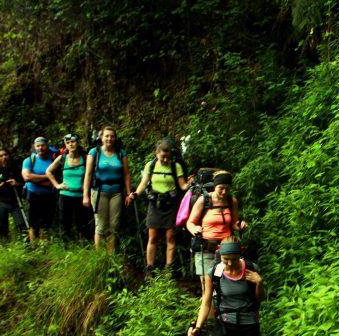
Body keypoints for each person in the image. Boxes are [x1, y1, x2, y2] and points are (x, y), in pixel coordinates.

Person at [127, 140, 189, 275]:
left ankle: (168, 269)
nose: (165, 159)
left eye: (168, 157)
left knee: (170, 237)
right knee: (153, 237)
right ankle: (150, 268)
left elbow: (182, 185)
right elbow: (144, 183)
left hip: (171, 204)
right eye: (163, 157)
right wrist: (136, 194)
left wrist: (190, 184)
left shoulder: (175, 166)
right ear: (156, 153)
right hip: (155, 203)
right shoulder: (151, 165)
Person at [186, 170, 247, 297]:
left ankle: (221, 313)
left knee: (222, 282)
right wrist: (195, 229)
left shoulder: (231, 201)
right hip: (206, 248)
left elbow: (233, 224)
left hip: (225, 250)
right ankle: (208, 315)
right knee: (206, 285)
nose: (224, 192)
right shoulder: (204, 200)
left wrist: (240, 225)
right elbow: (190, 223)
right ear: (215, 186)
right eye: (221, 189)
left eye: (227, 189)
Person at [83, 126, 131, 253]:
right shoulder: (94, 152)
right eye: (107, 136)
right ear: (101, 137)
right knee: (101, 226)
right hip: (99, 192)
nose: (109, 138)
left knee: (114, 226)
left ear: (115, 138)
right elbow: (88, 174)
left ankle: (111, 256)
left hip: (117, 192)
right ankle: (99, 256)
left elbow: (126, 174)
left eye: (112, 136)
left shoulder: (121, 153)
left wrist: (128, 193)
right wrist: (85, 196)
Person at [46, 133, 93, 243]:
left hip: (80, 195)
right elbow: (48, 171)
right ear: (65, 145)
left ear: (77, 143)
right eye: (68, 143)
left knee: (82, 223)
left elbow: (90, 174)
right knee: (65, 222)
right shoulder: (62, 158)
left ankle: (84, 245)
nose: (71, 144)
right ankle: (66, 246)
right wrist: (57, 185)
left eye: (73, 142)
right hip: (65, 195)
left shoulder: (85, 158)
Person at [0, 146, 27, 245]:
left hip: (15, 201)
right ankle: (4, 246)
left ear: (9, 156)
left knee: (21, 224)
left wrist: (16, 183)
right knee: (1, 226)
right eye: (1, 156)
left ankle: (27, 246)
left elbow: (26, 184)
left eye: (6, 155)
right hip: (1, 202)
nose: (4, 157)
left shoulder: (17, 168)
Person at [21, 137, 57, 243]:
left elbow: (53, 182)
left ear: (47, 146)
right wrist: (48, 176)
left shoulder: (53, 160)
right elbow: (27, 177)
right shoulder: (29, 160)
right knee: (33, 224)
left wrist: (35, 179)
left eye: (43, 145)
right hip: (33, 195)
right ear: (34, 147)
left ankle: (45, 249)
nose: (40, 148)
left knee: (46, 224)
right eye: (38, 146)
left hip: (49, 196)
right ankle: (34, 247)